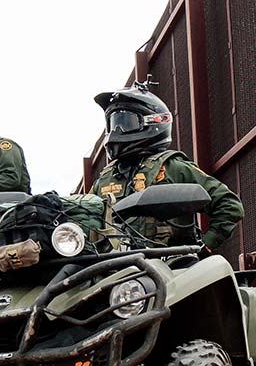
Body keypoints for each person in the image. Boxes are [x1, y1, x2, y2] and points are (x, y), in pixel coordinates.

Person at [87, 89, 243, 252]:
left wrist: (206, 246)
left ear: (153, 122)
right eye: (113, 124)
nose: (117, 131)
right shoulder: (105, 179)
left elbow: (230, 205)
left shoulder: (172, 167)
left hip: (170, 266)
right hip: (114, 267)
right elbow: (84, 218)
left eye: (126, 123)